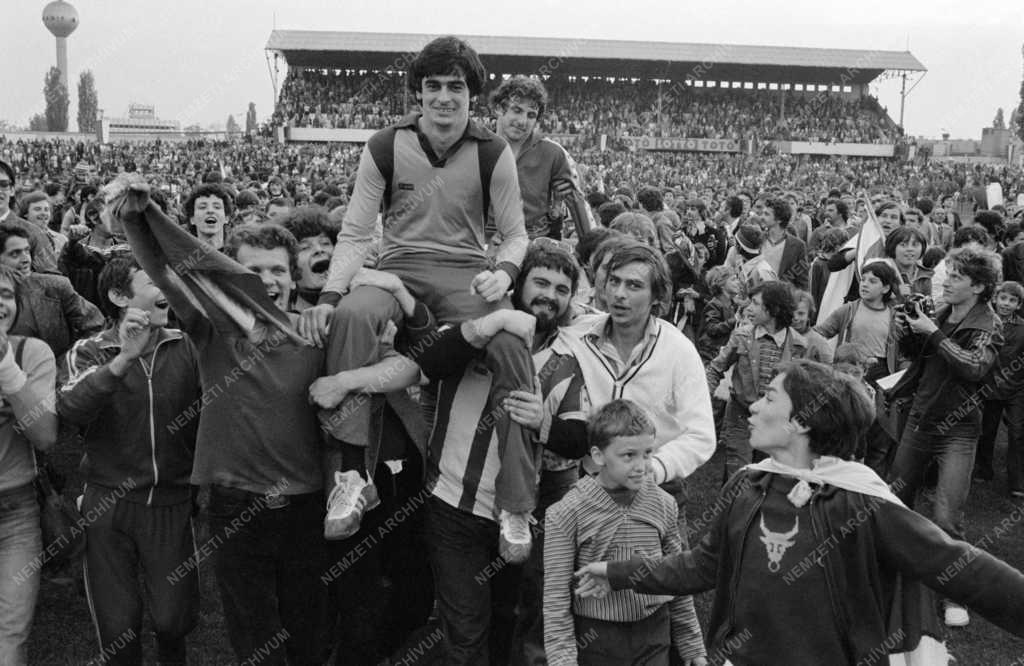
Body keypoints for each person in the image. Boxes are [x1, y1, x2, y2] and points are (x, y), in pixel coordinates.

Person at [576, 359, 1024, 665]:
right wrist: (622, 572)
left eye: (769, 398)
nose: (752, 405)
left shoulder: (861, 501)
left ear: (803, 420)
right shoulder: (746, 483)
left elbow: (959, 566)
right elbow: (702, 565)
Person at [300, 36, 536, 562]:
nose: (445, 97)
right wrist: (333, 294)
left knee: (511, 350)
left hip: (465, 273)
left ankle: (516, 502)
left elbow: (516, 234)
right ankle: (353, 473)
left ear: (473, 94)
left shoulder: (493, 152)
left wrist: (504, 271)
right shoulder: (385, 145)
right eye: (434, 86)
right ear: (418, 92)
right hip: (399, 262)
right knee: (354, 316)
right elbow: (358, 233)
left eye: (456, 86)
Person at [118, 185, 328, 665]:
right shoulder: (213, 329)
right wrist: (135, 218)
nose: (268, 281)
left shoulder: (316, 331)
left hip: (308, 503)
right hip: (236, 505)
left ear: (294, 278)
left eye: (278, 270)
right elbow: (162, 271)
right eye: (253, 271)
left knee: (308, 631)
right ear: (233, 279)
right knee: (254, 634)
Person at [56, 256, 201, 665]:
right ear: (119, 297)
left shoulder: (186, 345)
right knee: (119, 628)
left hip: (171, 502)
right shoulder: (88, 350)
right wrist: (122, 360)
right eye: (153, 281)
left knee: (174, 620)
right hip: (108, 503)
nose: (165, 288)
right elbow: (69, 409)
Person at [888, 246, 1003, 627]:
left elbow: (974, 368)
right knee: (896, 502)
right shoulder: (938, 313)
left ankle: (954, 597)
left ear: (980, 286)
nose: (946, 281)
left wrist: (933, 333)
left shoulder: (989, 324)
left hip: (958, 430)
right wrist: (909, 329)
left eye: (956, 276)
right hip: (920, 418)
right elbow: (916, 356)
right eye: (948, 274)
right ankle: (890, 574)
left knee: (947, 517)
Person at [543, 400, 706, 666]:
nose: (641, 465)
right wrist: (562, 659)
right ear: (598, 456)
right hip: (597, 640)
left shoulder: (664, 503)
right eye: (628, 455)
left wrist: (692, 647)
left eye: (648, 453)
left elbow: (678, 579)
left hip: (654, 635)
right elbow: (556, 597)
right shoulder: (566, 512)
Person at [0, 264, 58, 666]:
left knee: (11, 634)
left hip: (15, 512)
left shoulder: (31, 352)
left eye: (5, 295)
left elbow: (45, 436)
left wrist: (6, 365)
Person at [708, 280, 809, 481]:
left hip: (776, 421)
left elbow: (801, 387)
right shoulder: (742, 336)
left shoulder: (799, 345)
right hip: (740, 415)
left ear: (773, 309)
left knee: (766, 477)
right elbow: (716, 368)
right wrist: (702, 399)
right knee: (739, 475)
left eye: (755, 303)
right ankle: (731, 509)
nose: (748, 308)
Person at [489, 76, 591, 240]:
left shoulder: (553, 153)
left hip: (533, 247)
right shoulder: (476, 147)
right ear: (499, 109)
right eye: (517, 110)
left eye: (531, 115)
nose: (523, 121)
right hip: (481, 245)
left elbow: (578, 205)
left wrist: (590, 251)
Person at [0, 224, 104, 359]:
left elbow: (96, 326)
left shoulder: (55, 287)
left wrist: (71, 365)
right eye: (15, 254)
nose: (26, 259)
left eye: (27, 251)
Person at [973, 280, 1024, 493]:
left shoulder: (1022, 328)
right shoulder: (986, 322)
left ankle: (1017, 481)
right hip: (990, 387)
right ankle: (983, 470)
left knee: (1017, 432)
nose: (1006, 303)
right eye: (1003, 298)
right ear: (995, 298)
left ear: (1019, 305)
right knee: (987, 430)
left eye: (1013, 300)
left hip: (1017, 388)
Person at [279, 206, 339, 312]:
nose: (319, 250)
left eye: (325, 243)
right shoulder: (281, 314)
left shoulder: (357, 305)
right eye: (305, 247)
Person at [757, 198, 808, 290]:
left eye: (767, 214)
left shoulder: (798, 246)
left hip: (783, 299)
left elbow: (802, 282)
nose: (762, 217)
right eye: (762, 213)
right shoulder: (757, 240)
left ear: (779, 220)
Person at [185, 183, 233, 250]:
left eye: (217, 207)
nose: (210, 211)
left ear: (226, 218)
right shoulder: (184, 256)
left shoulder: (237, 254)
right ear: (192, 219)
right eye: (202, 207)